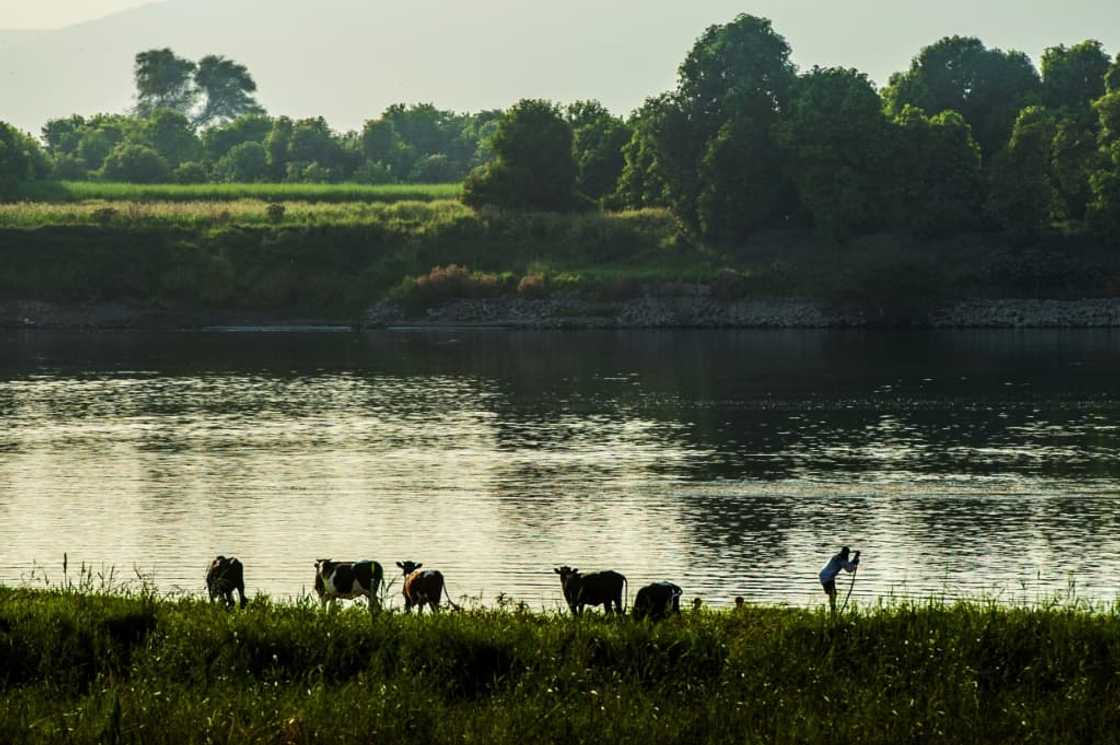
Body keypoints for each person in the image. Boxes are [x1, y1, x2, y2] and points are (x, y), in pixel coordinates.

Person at [819, 546, 860, 614]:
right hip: (827, 577)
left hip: (826, 576)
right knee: (833, 594)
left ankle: (833, 611)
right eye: (847, 554)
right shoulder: (840, 559)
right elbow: (849, 569)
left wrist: (855, 560)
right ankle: (833, 611)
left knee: (833, 594)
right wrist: (855, 561)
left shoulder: (837, 557)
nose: (847, 556)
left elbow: (848, 565)